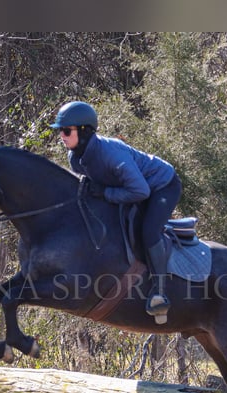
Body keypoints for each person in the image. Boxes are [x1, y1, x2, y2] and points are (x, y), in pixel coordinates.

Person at [50, 100, 182, 321]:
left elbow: (140, 191)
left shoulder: (111, 154)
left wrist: (106, 193)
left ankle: (160, 292)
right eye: (60, 131)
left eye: (65, 131)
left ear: (83, 132)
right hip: (132, 188)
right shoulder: (75, 157)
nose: (61, 136)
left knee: (149, 232)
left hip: (162, 186)